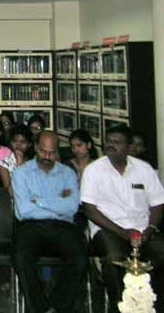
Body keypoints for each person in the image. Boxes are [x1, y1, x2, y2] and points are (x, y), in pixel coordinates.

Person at [81, 125, 164, 313]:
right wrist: (124, 233)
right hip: (108, 230)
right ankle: (120, 308)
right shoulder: (93, 170)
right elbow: (89, 210)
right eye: (108, 141)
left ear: (129, 146)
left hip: (143, 230)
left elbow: (158, 203)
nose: (110, 146)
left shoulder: (144, 169)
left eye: (117, 142)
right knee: (114, 260)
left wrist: (150, 228)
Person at [11, 131, 86, 313]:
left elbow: (71, 207)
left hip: (63, 227)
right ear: (36, 148)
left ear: (57, 151)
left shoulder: (67, 173)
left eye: (52, 153)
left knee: (81, 260)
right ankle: (40, 309)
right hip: (31, 226)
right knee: (20, 257)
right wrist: (58, 201)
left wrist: (38, 200)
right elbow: (24, 210)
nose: (47, 157)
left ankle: (58, 306)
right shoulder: (21, 173)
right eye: (43, 151)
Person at [0, 124, 34, 196]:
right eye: (15, 141)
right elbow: (10, 193)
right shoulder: (4, 164)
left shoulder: (33, 163)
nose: (18, 145)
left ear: (29, 144)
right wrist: (19, 166)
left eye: (23, 142)